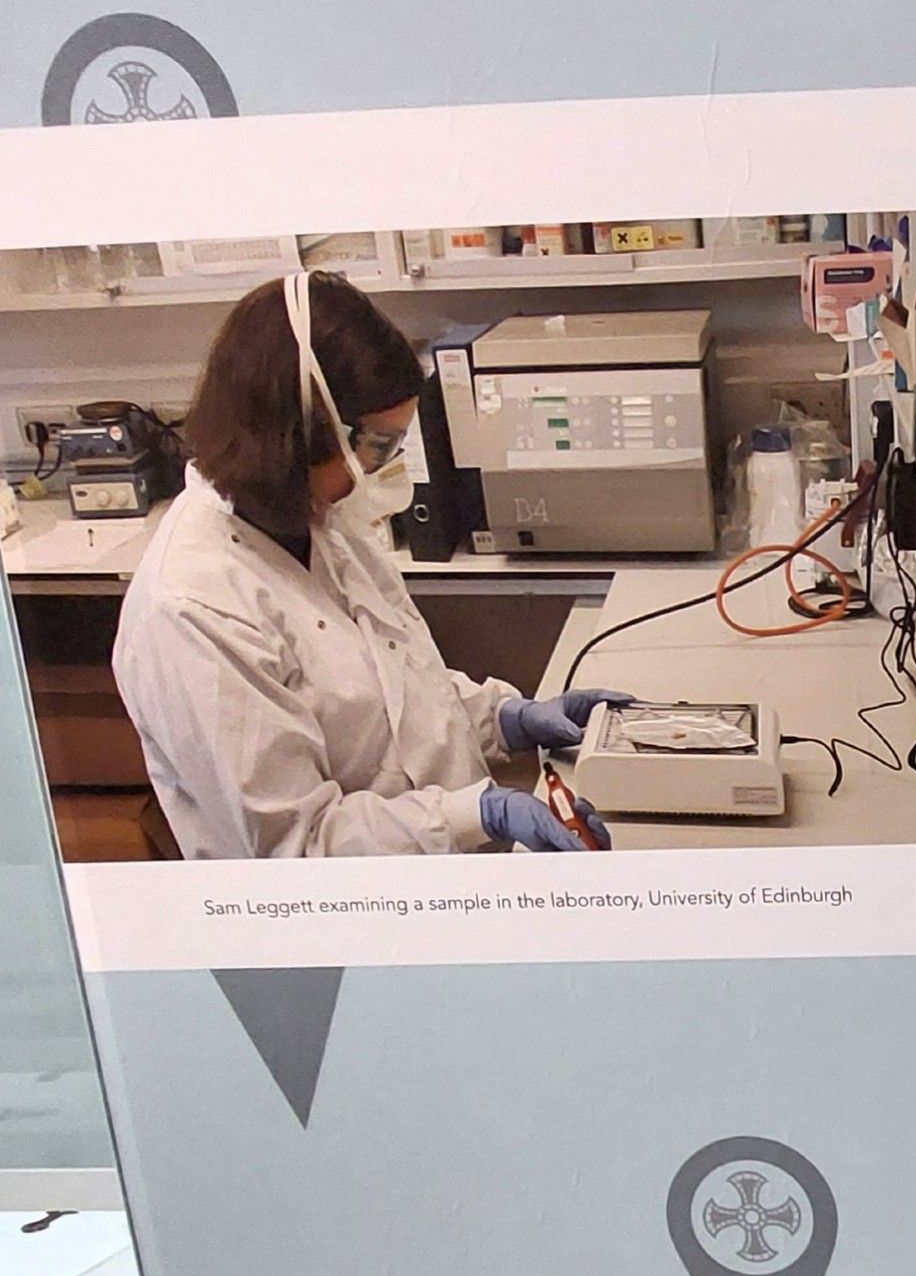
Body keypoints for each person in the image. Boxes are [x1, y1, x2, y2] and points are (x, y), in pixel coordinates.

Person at [114, 271, 629, 857]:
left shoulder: (317, 520)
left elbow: (397, 692)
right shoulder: (193, 610)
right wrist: (478, 814)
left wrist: (505, 718)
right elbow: (299, 846)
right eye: (378, 446)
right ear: (299, 432)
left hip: (433, 885)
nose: (385, 469)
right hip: (339, 923)